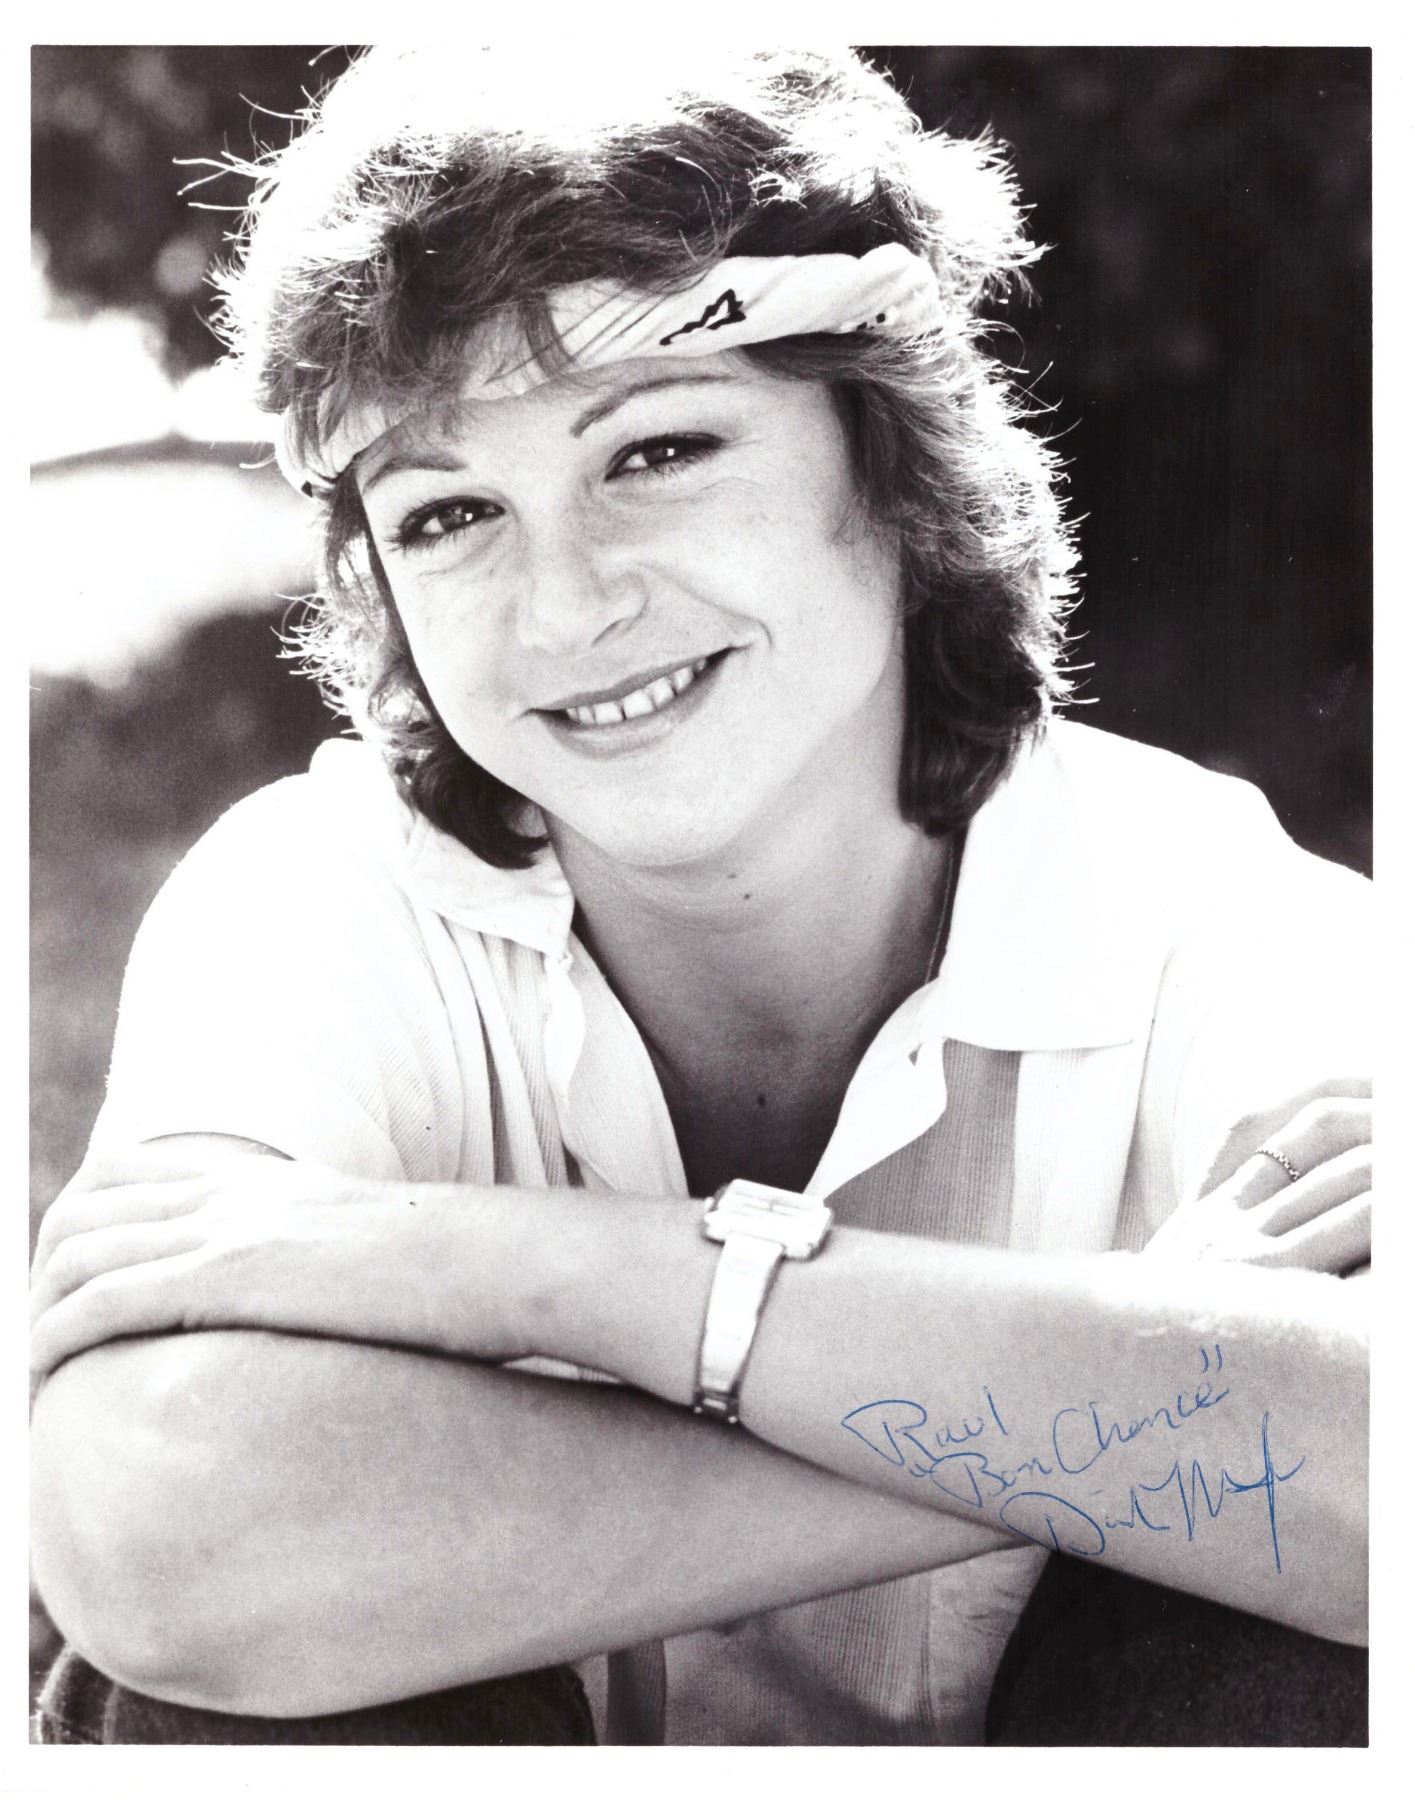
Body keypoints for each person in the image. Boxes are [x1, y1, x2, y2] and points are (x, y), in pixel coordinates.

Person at [29, 45, 1370, 1747]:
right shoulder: (317, 900)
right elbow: (157, 1532)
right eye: (449, 515)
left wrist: (534, 1277)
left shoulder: (1210, 912)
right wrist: (1129, 1426)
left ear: (893, 460)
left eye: (658, 449)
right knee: (219, 1697)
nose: (567, 606)